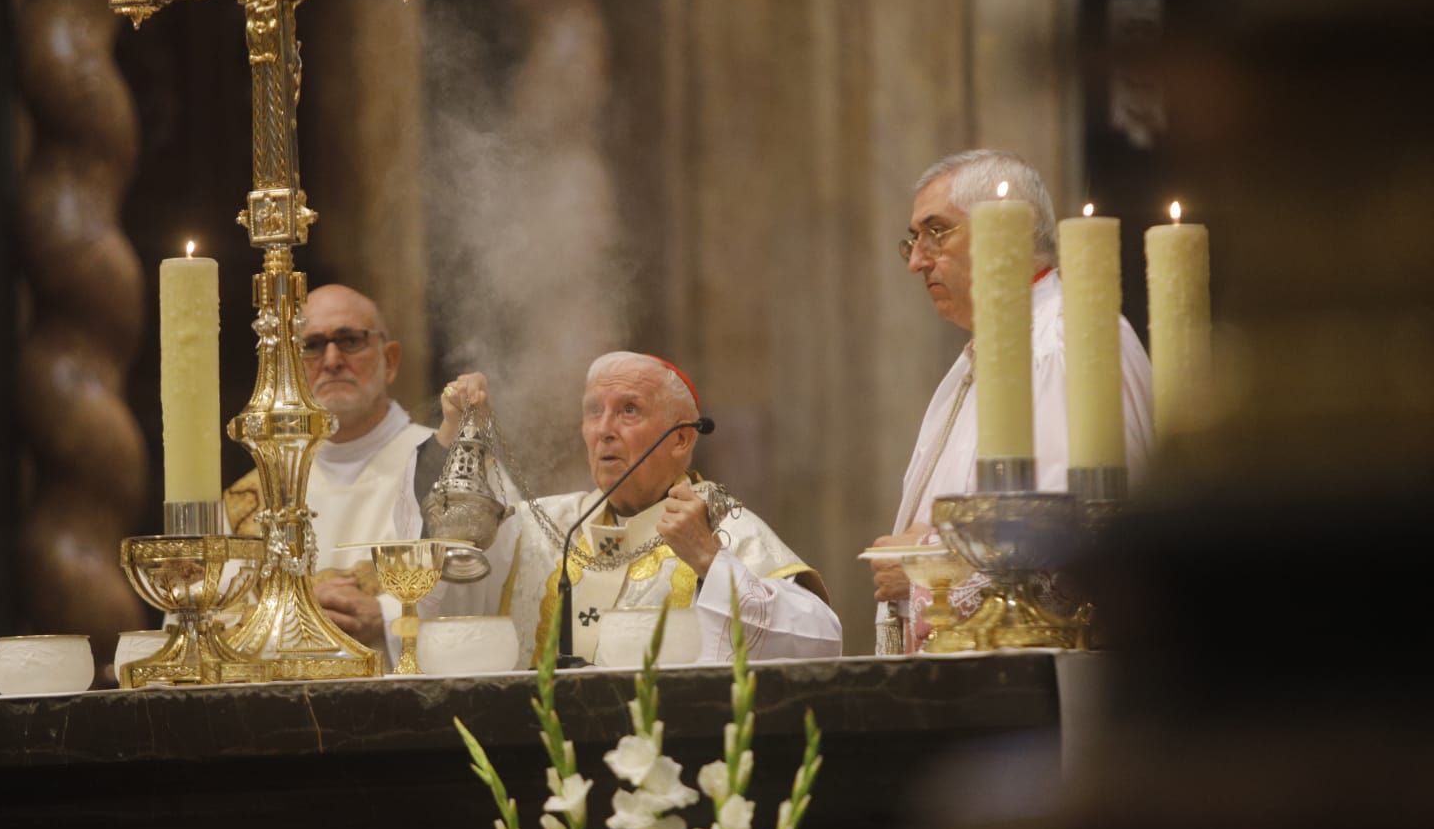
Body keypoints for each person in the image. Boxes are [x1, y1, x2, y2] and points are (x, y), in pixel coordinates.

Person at [869, 150, 1153, 645]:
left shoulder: (1064, 342)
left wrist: (925, 570)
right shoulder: (990, 351)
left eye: (937, 231)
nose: (917, 260)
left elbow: (1081, 536)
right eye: (913, 240)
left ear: (1011, 232)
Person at [447, 352, 842, 666]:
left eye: (629, 410)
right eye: (593, 411)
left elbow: (820, 641)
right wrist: (462, 434)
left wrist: (709, 561)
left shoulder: (727, 530)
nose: (604, 429)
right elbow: (444, 563)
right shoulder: (541, 526)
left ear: (681, 440)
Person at [223, 284, 503, 662]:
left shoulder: (451, 465)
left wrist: (388, 619)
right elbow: (215, 624)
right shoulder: (252, 499)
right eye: (312, 345)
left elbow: (491, 590)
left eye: (350, 340)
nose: (333, 359)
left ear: (390, 361)